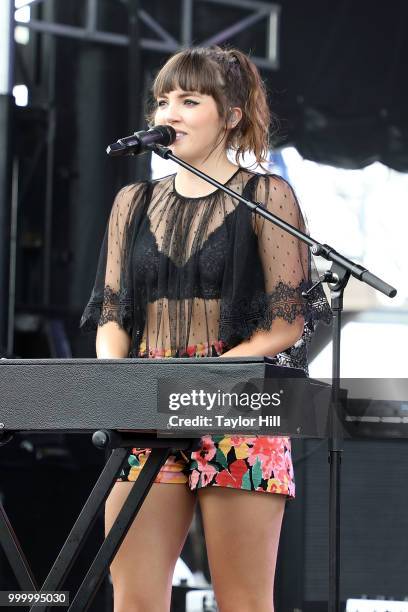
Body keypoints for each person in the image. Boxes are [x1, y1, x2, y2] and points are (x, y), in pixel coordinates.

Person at [80, 46, 331, 612]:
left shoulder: (267, 197)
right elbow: (113, 314)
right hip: (148, 405)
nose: (168, 113)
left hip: (237, 405)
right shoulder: (133, 202)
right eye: (162, 101)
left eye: (189, 100)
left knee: (243, 600)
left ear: (232, 115)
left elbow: (287, 321)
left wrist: (211, 375)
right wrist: (117, 383)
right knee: (135, 599)